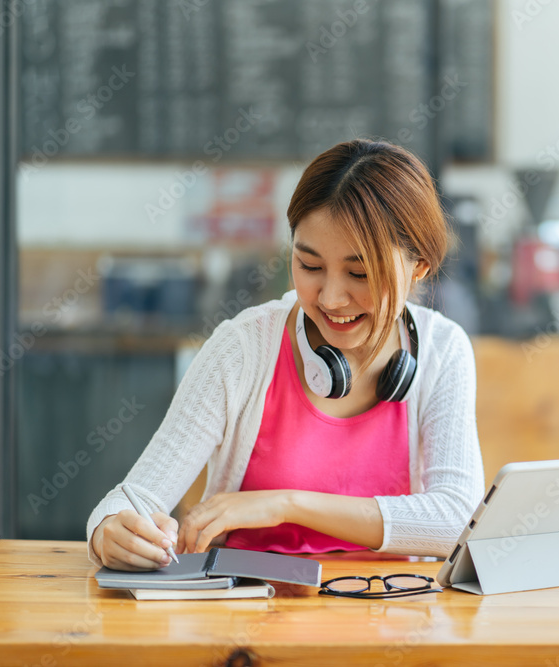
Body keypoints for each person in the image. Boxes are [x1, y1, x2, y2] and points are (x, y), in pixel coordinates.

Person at [87, 139, 485, 571]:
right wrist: (109, 531)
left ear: (420, 267)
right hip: (245, 621)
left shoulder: (444, 350)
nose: (331, 297)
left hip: (388, 615)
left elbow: (458, 520)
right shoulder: (242, 348)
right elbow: (132, 500)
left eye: (360, 273)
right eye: (310, 266)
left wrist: (286, 505)